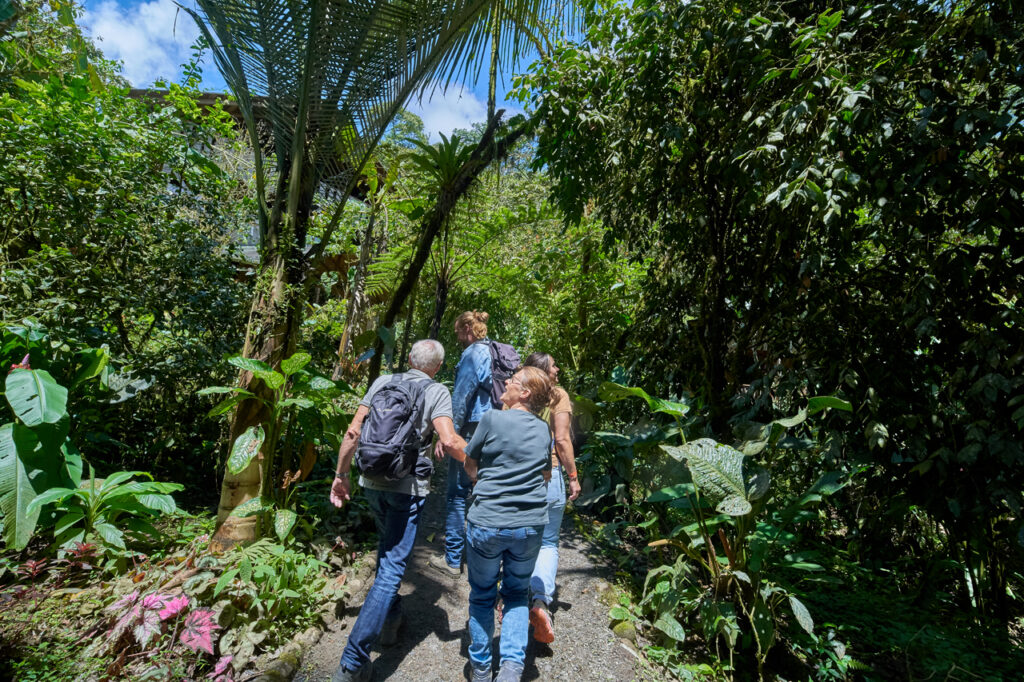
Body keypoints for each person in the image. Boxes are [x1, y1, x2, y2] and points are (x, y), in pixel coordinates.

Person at [329, 340, 465, 682]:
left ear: (409, 360)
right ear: (437, 367)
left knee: (387, 549)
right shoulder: (437, 391)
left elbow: (353, 431)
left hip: (371, 482)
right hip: (407, 489)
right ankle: (352, 663)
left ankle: (390, 622)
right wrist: (481, 470)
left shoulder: (382, 382)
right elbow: (449, 440)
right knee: (391, 569)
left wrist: (341, 475)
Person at [446, 366, 555, 682]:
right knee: (517, 593)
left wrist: (480, 478)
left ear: (525, 393)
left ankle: (481, 669)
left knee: (482, 594)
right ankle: (510, 669)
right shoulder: (543, 430)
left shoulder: (491, 419)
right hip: (530, 525)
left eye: (514, 380)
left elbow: (470, 462)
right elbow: (546, 475)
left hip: (488, 522)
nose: (506, 381)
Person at [521, 352, 581, 644]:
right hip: (550, 474)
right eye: (554, 365)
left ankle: (512, 597)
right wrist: (573, 476)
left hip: (519, 475)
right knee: (547, 542)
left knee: (521, 535)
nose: (558, 369)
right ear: (544, 370)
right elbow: (562, 439)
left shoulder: (519, 392)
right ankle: (540, 602)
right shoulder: (558, 396)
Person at [430, 310, 494, 577]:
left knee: (457, 493)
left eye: (458, 331)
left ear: (468, 328)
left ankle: (453, 560)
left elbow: (461, 398)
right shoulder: (495, 351)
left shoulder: (472, 354)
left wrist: (448, 436)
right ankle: (487, 561)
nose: (457, 337)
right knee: (487, 490)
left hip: (470, 430)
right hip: (494, 428)